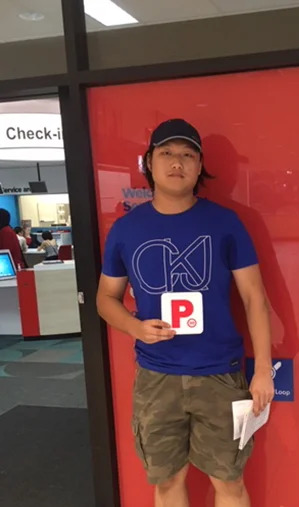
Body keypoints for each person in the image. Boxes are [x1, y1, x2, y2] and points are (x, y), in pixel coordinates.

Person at [95, 118, 274, 507]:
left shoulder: (225, 223)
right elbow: (105, 298)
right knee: (167, 482)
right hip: (156, 376)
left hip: (220, 375)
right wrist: (135, 327)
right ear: (149, 162)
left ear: (199, 166)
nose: (177, 162)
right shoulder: (126, 230)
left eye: (188, 155)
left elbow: (254, 298)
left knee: (229, 482)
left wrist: (263, 369)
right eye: (166, 153)